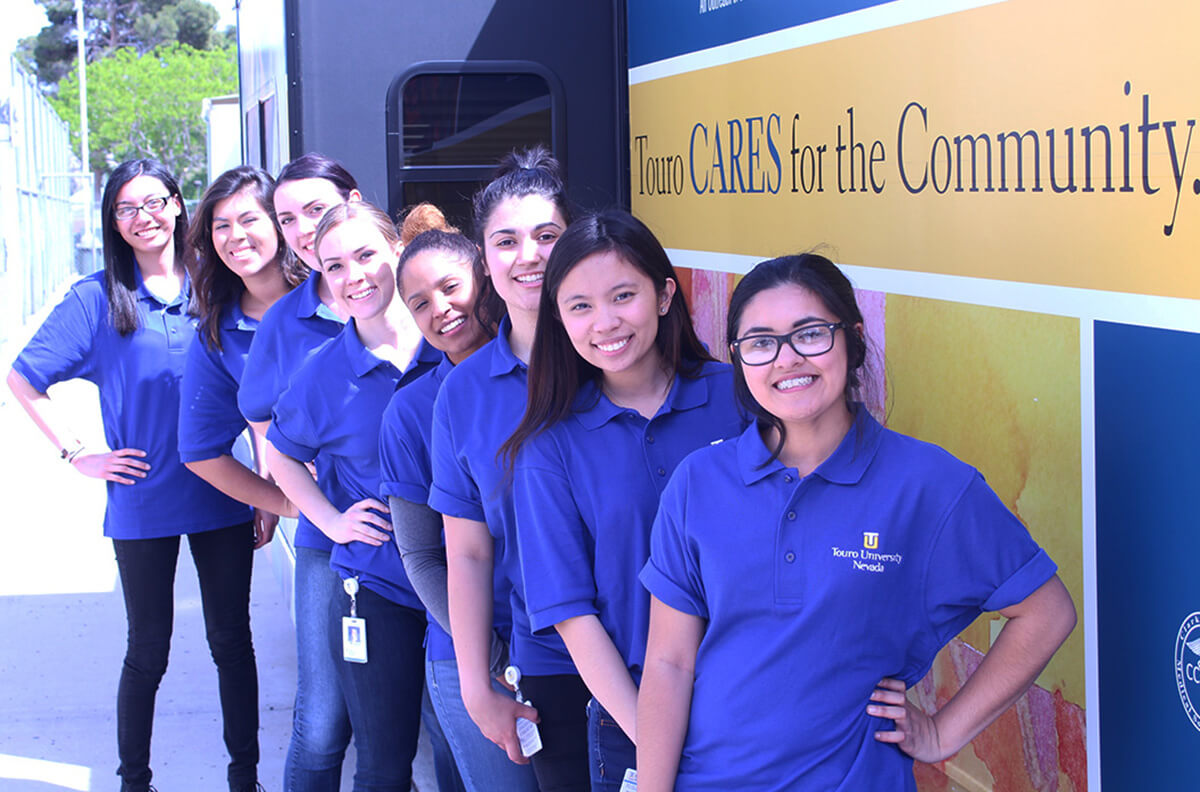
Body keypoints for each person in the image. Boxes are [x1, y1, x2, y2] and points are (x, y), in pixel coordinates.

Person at [635, 253, 1078, 792]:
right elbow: (669, 663)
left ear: (853, 337)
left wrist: (941, 734)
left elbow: (1046, 610)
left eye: (810, 334)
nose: (786, 359)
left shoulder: (926, 484)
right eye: (760, 342)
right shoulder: (698, 482)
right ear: (739, 358)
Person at [5, 159, 263, 792]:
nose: (142, 217)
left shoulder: (220, 286)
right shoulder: (96, 299)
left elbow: (257, 387)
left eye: (154, 202)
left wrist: (266, 488)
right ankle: (134, 783)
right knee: (148, 649)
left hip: (224, 491)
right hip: (142, 499)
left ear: (179, 206)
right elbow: (23, 378)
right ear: (113, 223)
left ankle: (244, 777)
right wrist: (78, 453)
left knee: (232, 642)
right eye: (126, 208)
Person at [501, 209, 745, 791]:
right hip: (634, 713)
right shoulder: (549, 447)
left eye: (622, 296)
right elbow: (571, 616)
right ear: (558, 318)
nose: (604, 323)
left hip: (756, 700)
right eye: (579, 306)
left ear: (664, 296)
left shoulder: (736, 398)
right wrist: (656, 737)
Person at [428, 147, 591, 791]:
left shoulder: (618, 362)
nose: (529, 255)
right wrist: (476, 683)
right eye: (507, 240)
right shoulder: (464, 395)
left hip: (656, 644)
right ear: (483, 258)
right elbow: (466, 554)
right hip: (546, 659)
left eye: (548, 236)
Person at [266, 200, 438, 792]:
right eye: (335, 266)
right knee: (383, 764)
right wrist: (332, 521)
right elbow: (279, 454)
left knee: (460, 757)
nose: (353, 276)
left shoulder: (453, 344)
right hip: (379, 584)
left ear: (397, 251)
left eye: (366, 255)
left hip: (465, 585)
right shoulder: (323, 372)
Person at [380, 228, 540, 792]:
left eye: (451, 287)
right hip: (473, 657)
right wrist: (491, 659)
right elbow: (423, 556)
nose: (440, 309)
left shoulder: (555, 373)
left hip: (566, 645)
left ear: (484, 278)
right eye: (419, 303)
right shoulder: (410, 410)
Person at [238, 153, 358, 791]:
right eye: (288, 218)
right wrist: (301, 498)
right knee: (322, 720)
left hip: (436, 536)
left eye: (316, 208)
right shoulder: (286, 319)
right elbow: (260, 420)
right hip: (327, 540)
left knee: (438, 706)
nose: (304, 229)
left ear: (354, 200)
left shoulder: (412, 293)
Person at [180, 165, 303, 547]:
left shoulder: (332, 293)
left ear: (280, 225)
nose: (236, 236)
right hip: (326, 527)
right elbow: (199, 450)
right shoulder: (218, 333)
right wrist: (285, 501)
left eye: (249, 219)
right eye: (221, 226)